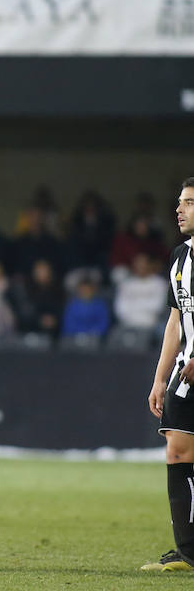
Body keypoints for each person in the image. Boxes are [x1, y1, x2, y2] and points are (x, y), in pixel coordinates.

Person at [142, 177, 194, 572]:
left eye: (189, 203)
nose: (179, 209)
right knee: (178, 450)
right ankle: (188, 549)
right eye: (180, 202)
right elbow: (175, 320)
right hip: (185, 372)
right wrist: (161, 378)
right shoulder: (180, 256)